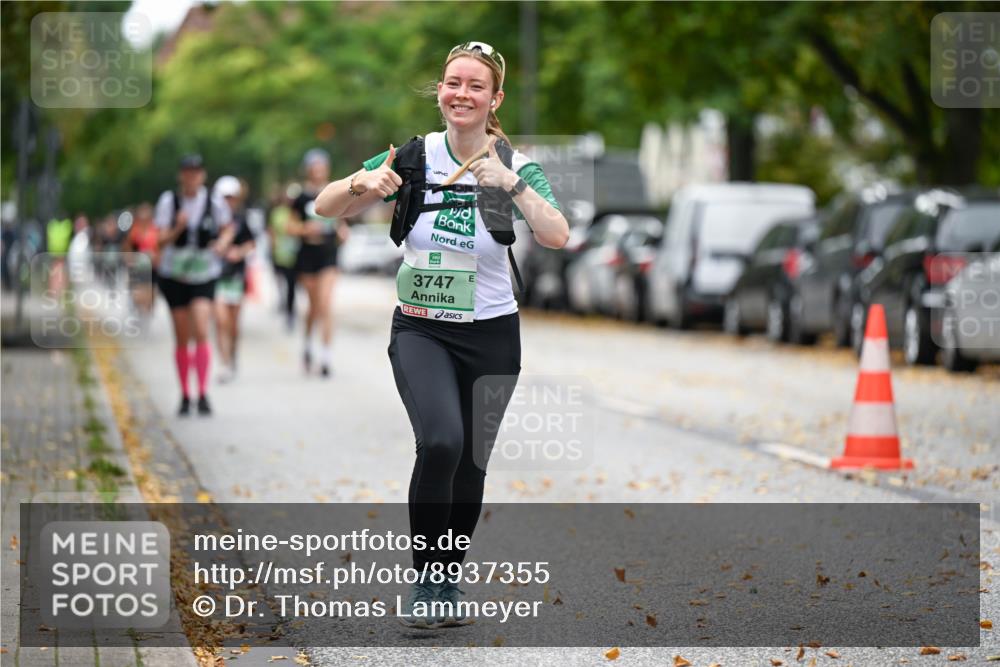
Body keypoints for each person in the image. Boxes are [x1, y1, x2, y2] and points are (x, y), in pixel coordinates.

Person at [315, 41, 568, 628]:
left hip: (492, 334)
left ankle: (446, 576)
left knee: (472, 464)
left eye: (475, 86)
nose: (461, 94)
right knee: (443, 443)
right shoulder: (411, 155)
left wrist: (511, 185)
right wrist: (364, 183)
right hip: (423, 330)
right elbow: (324, 205)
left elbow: (557, 234)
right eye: (453, 82)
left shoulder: (515, 163)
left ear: (494, 98)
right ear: (440, 90)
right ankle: (426, 582)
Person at [155, 154, 234, 416]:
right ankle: (185, 394)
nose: (192, 176)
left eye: (197, 171)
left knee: (201, 327)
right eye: (188, 171)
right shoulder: (169, 202)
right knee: (181, 336)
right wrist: (178, 227)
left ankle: (202, 392)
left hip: (204, 273)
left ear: (203, 175)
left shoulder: (214, 202)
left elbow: (228, 228)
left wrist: (223, 243)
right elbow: (160, 241)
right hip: (174, 274)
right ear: (181, 175)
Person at [288, 150, 349, 377]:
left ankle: (326, 357)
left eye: (322, 165)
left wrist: (343, 232)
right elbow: (289, 227)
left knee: (325, 304)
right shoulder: (301, 197)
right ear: (308, 169)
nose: (318, 169)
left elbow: (341, 220)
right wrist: (305, 229)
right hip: (307, 256)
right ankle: (307, 345)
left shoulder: (335, 190)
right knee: (313, 307)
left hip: (328, 255)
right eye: (314, 166)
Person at [212, 176, 256, 383]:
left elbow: (251, 244)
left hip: (236, 276)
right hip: (215, 276)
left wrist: (238, 252)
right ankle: (223, 362)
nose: (228, 201)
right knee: (220, 321)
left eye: (232, 197)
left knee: (233, 324)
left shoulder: (240, 220)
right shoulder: (210, 220)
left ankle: (232, 355)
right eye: (225, 197)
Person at [268, 184, 300, 332]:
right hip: (281, 255)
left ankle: (290, 311)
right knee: (282, 283)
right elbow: (273, 232)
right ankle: (286, 307)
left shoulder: (298, 212)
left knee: (292, 286)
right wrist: (272, 250)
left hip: (296, 256)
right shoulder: (278, 212)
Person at [121, 202, 159, 315]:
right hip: (139, 268)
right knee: (139, 295)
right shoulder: (134, 230)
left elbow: (160, 247)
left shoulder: (155, 229)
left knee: (151, 295)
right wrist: (130, 259)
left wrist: (156, 257)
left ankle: (148, 315)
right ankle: (138, 311)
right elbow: (126, 247)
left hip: (152, 268)